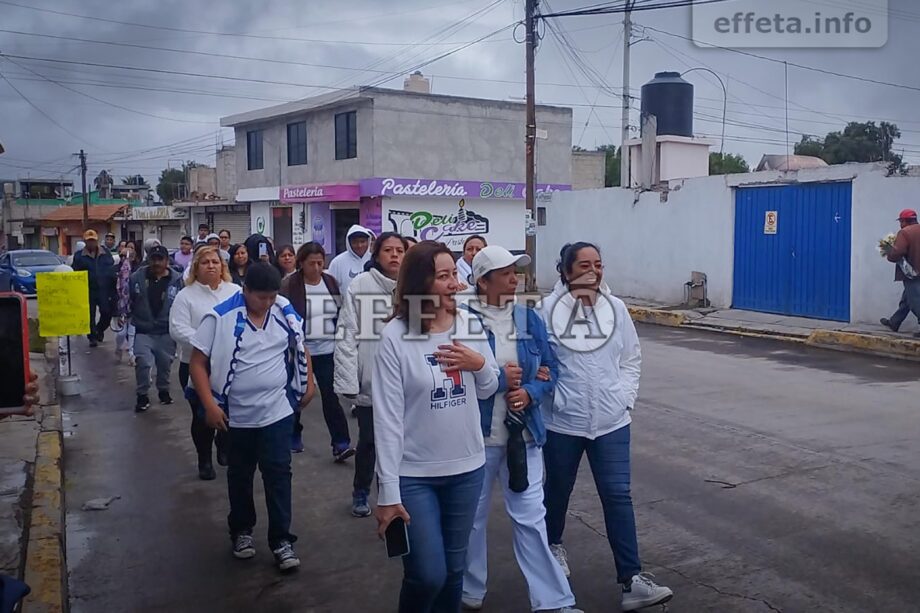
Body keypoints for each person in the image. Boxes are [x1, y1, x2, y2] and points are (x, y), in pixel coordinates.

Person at [540, 242, 672, 612]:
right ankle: (552, 550)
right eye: (584, 265)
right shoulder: (547, 310)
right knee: (557, 492)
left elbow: (631, 358)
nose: (593, 271)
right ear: (566, 271)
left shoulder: (616, 309)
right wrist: (554, 395)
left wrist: (624, 399)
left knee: (617, 496)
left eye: (598, 264)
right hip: (563, 422)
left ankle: (632, 580)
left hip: (612, 422)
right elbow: (540, 362)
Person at [373, 240, 499, 613]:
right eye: (444, 276)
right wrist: (388, 492)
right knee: (427, 574)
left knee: (455, 570)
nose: (455, 283)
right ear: (420, 282)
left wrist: (479, 364)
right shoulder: (394, 337)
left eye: (454, 274)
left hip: (467, 469)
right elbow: (387, 420)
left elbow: (489, 388)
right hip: (414, 475)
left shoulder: (468, 324)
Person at [461, 246, 581, 613]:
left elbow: (551, 368)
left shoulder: (529, 319)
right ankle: (469, 590)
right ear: (483, 282)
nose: (515, 280)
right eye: (506, 274)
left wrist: (531, 391)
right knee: (472, 519)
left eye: (516, 272)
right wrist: (500, 378)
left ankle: (553, 600)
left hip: (523, 436)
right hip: (477, 438)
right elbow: (454, 375)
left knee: (531, 519)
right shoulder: (461, 320)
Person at [189, 263, 314, 572]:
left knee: (278, 474)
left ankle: (282, 540)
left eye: (272, 297)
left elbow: (301, 347)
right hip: (237, 417)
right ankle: (242, 531)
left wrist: (308, 382)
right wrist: (210, 406)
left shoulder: (283, 313)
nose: (267, 303)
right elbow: (197, 363)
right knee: (240, 475)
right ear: (245, 290)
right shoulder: (220, 317)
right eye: (261, 297)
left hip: (277, 412)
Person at [333, 232, 406, 517]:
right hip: (371, 380)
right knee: (370, 442)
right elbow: (347, 333)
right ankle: (361, 491)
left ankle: (395, 495)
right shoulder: (361, 285)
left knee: (404, 444)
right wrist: (349, 380)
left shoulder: (415, 285)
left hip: (407, 382)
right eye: (388, 250)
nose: (394, 255)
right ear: (376, 255)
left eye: (399, 250)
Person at [169, 246, 240, 480]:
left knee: (231, 412)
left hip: (231, 366)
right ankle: (204, 459)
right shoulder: (186, 296)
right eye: (205, 262)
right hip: (195, 365)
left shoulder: (235, 292)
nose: (211, 266)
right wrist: (207, 342)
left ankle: (224, 445)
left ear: (222, 266)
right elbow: (177, 328)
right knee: (203, 416)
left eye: (215, 262)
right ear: (196, 268)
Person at [281, 242, 350, 456]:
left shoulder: (330, 282)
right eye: (312, 263)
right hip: (301, 349)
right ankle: (293, 434)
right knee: (297, 393)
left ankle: (341, 442)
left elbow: (340, 311)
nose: (317, 268)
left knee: (331, 395)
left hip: (328, 348)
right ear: (302, 263)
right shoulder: (290, 285)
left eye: (320, 263)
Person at [129, 245, 182, 413]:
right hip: (143, 330)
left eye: (160, 259)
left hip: (165, 331)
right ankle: (142, 395)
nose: (157, 263)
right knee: (143, 362)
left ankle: (163, 390)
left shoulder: (177, 281)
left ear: (167, 261)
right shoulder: (136, 278)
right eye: (154, 259)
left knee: (164, 364)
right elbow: (129, 298)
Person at [71, 229, 117, 347]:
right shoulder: (79, 256)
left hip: (104, 289)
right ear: (85, 241)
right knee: (90, 315)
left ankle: (99, 330)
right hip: (88, 289)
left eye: (93, 240)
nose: (91, 243)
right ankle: (92, 337)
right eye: (89, 241)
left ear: (97, 240)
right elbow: (75, 273)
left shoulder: (105, 253)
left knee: (106, 312)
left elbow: (111, 268)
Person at [881, 208, 920, 337]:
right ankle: (894, 322)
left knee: (915, 301)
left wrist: (888, 252)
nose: (900, 224)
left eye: (900, 221)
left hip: (912, 273)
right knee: (907, 299)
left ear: (904, 221)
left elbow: (898, 252)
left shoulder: (904, 232)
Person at [328, 224, 375, 296]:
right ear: (349, 243)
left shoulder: (375, 260)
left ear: (368, 242)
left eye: (362, 242)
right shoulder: (337, 262)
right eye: (355, 242)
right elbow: (330, 289)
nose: (359, 245)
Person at [115, 243, 141, 365]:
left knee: (132, 332)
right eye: (123, 256)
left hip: (134, 305)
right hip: (120, 306)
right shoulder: (115, 270)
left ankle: (132, 354)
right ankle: (119, 348)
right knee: (121, 333)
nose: (126, 259)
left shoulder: (138, 271)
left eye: (129, 256)